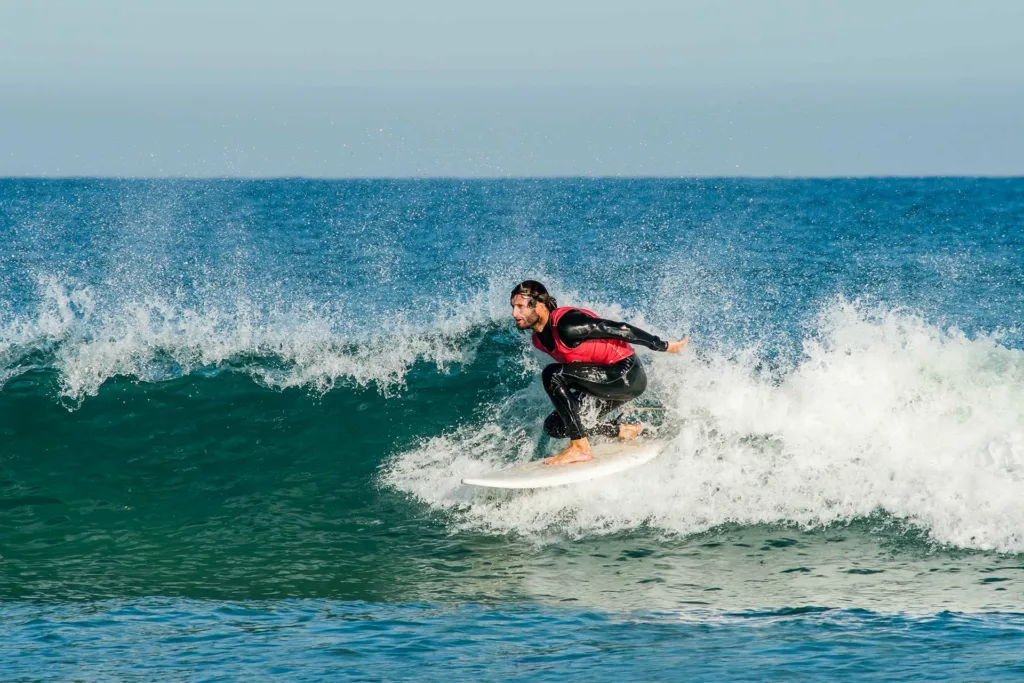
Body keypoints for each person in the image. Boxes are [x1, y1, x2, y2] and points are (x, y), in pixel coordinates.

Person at [510, 280, 689, 466]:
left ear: (539, 305)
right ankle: (621, 430)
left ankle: (580, 447)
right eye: (513, 306)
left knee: (553, 374)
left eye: (520, 306)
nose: (514, 313)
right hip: (603, 380)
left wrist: (663, 345)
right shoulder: (538, 339)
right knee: (555, 426)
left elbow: (620, 329)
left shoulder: (567, 325)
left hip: (626, 374)